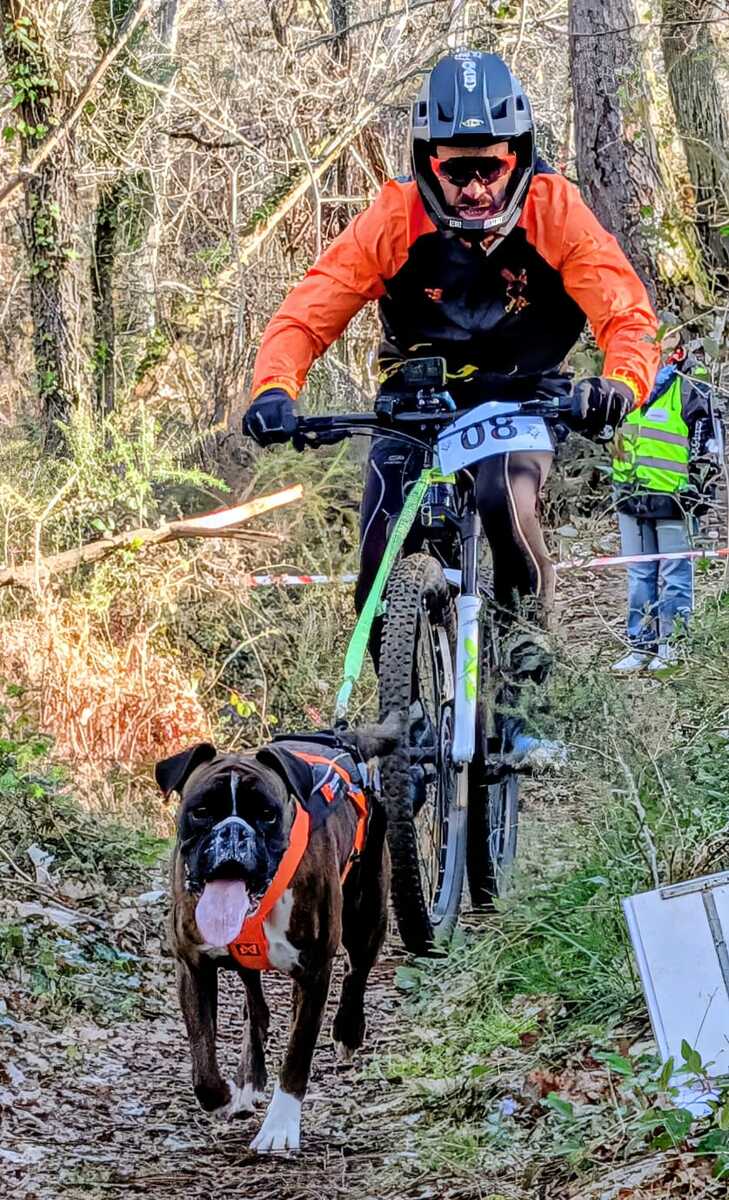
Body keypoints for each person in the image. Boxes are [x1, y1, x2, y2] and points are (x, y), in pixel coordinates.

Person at [244, 50, 660, 756]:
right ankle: (401, 716)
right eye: (455, 170)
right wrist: (275, 388)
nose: (473, 189)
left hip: (522, 394)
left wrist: (619, 384)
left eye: (489, 168)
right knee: (380, 546)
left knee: (504, 501)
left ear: (516, 157)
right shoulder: (395, 215)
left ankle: (523, 700)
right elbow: (309, 310)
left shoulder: (555, 210)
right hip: (417, 396)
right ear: (426, 163)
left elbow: (625, 313)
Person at [611, 333, 720, 672]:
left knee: (675, 575)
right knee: (639, 575)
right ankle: (640, 646)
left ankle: (673, 646)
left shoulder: (691, 383)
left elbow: (708, 442)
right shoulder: (626, 377)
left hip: (676, 497)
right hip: (631, 494)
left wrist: (698, 490)